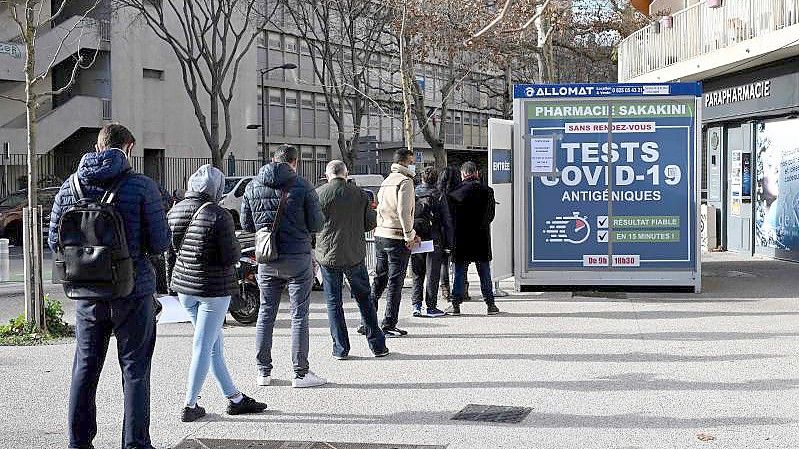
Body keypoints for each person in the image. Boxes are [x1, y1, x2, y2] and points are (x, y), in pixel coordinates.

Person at [48, 123, 170, 449]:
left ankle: (79, 442)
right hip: (132, 290)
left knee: (85, 368)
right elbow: (160, 243)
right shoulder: (142, 186)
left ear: (99, 146)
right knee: (135, 370)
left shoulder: (69, 187)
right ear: (128, 147)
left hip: (87, 294)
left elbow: (53, 241)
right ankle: (135, 444)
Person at [167, 164, 267, 422]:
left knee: (212, 344)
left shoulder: (175, 211)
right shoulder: (219, 215)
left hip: (185, 287)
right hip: (213, 289)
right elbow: (231, 255)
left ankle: (234, 398)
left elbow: (170, 250)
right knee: (204, 345)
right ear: (218, 189)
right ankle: (190, 405)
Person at [241, 144, 326, 388]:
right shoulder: (303, 186)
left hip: (267, 257)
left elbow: (247, 225)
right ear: (294, 162)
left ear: (272, 159)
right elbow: (317, 224)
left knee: (266, 313)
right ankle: (300, 373)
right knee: (299, 315)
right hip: (297, 256)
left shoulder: (253, 185)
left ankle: (263, 372)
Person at [315, 160, 389, 359]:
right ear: (346, 174)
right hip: (354, 254)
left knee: (334, 303)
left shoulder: (319, 194)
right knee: (364, 299)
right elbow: (369, 224)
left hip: (328, 255)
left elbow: (313, 224)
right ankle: (378, 346)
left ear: (327, 174)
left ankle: (340, 348)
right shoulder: (360, 194)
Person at [370, 149, 419, 337]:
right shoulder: (405, 182)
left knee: (379, 279)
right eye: (413, 161)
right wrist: (410, 236)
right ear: (406, 162)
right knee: (395, 282)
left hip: (381, 234)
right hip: (397, 236)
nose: (415, 165)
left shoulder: (386, 181)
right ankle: (389, 323)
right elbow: (404, 212)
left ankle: (367, 319)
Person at [448, 161, 500, 316]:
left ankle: (456, 305)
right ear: (476, 173)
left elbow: (450, 219)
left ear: (463, 174)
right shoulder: (488, 191)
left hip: (461, 239)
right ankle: (490, 304)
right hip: (481, 238)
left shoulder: (454, 193)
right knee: (484, 272)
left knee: (459, 272)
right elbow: (491, 216)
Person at [411, 166, 453, 318]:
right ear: (436, 180)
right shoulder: (439, 195)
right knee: (432, 274)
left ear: (422, 178)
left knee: (417, 274)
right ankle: (431, 307)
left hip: (416, 237)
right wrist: (449, 244)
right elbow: (447, 222)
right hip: (434, 239)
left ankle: (416, 305)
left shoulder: (414, 193)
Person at [437, 166, 461, 301]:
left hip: (442, 231)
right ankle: (463, 287)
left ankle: (445, 289)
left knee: (443, 262)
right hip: (458, 229)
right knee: (460, 261)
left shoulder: (439, 194)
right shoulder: (460, 193)